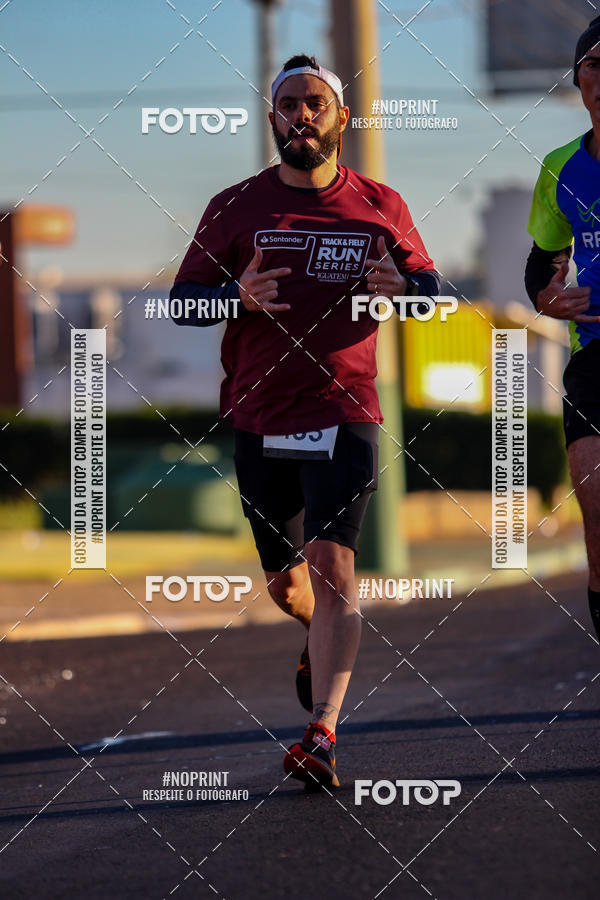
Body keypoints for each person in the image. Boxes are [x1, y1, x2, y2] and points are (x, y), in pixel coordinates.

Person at [170, 54, 439, 788]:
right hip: (260, 414)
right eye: (289, 104)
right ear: (272, 120)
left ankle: (320, 733)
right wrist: (238, 298)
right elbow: (182, 301)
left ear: (342, 118)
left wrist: (406, 285)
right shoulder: (234, 206)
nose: (303, 116)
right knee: (289, 588)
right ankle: (315, 639)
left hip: (346, 410)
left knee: (335, 571)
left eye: (316, 103)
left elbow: (432, 290)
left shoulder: (380, 203)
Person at [525, 17, 600, 645]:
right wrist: (548, 298)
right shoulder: (561, 168)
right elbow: (540, 265)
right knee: (597, 514)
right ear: (578, 80)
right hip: (594, 360)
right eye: (595, 64)